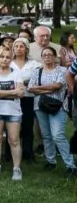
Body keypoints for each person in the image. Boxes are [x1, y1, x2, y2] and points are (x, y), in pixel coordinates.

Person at [28, 46, 75, 177]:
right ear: (42, 57)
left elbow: (58, 86)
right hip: (40, 106)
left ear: (55, 57)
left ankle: (70, 164)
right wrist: (48, 90)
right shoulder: (37, 71)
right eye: (44, 55)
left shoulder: (62, 70)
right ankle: (50, 161)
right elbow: (30, 88)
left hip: (58, 107)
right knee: (46, 135)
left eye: (50, 55)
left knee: (57, 135)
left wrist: (40, 89)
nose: (47, 57)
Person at [0, 46, 25, 181]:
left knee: (14, 140)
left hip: (13, 111)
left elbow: (21, 93)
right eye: (2, 57)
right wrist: (12, 92)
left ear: (11, 59)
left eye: (8, 57)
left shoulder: (17, 73)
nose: (4, 59)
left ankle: (16, 169)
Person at [10, 37, 41, 164]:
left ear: (26, 48)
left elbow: (36, 81)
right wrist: (23, 83)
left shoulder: (34, 64)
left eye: (21, 46)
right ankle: (9, 154)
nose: (18, 49)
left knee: (28, 126)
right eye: (16, 46)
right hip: (11, 99)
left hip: (28, 98)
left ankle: (28, 153)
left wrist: (19, 82)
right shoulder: (9, 63)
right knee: (12, 127)